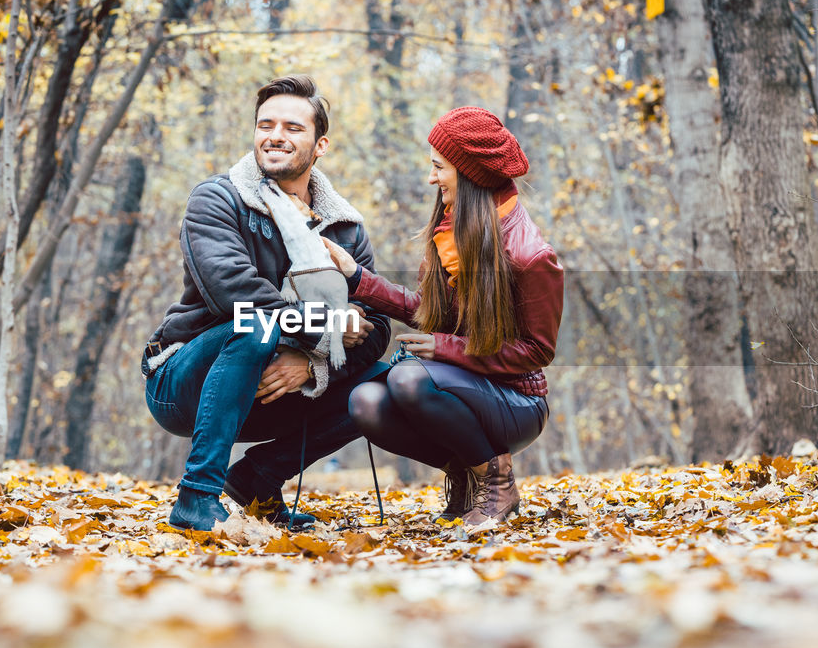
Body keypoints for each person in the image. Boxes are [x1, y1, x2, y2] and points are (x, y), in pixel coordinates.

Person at [142, 75, 391, 531]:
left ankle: (258, 479)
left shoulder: (345, 228)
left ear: (320, 145)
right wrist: (327, 331)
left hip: (279, 390)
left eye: (293, 128)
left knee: (384, 383)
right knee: (254, 326)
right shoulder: (218, 200)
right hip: (187, 385)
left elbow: (376, 328)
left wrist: (310, 363)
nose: (275, 135)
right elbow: (238, 300)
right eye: (265, 124)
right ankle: (197, 496)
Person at [323, 107, 563, 526]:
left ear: (469, 174)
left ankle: (497, 480)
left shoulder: (529, 256)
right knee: (365, 402)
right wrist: (357, 278)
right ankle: (466, 474)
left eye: (439, 167)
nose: (431, 178)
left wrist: (444, 347)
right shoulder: (452, 232)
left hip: (516, 401)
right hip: (460, 387)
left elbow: (537, 351)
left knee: (408, 378)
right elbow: (428, 310)